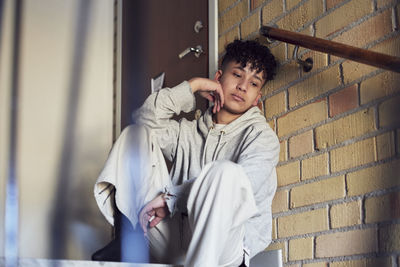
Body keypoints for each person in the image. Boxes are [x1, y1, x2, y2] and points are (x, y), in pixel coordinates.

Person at [92, 39, 279, 267]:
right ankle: (125, 241)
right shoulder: (188, 132)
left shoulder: (261, 137)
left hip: (224, 249)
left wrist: (171, 199)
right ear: (218, 78)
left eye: (254, 83)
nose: (243, 86)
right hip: (175, 242)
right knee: (135, 135)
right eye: (238, 75)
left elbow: (244, 188)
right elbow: (143, 118)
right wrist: (193, 85)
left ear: (257, 98)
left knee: (226, 174)